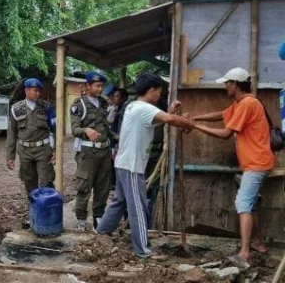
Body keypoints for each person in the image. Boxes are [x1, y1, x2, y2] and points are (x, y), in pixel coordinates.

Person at [96, 74, 193, 259]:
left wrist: (171, 113)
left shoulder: (133, 105)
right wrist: (188, 123)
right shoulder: (143, 108)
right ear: (151, 91)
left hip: (124, 163)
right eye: (159, 92)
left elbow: (158, 121)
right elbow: (169, 120)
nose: (159, 96)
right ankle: (143, 250)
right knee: (139, 207)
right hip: (131, 166)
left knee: (119, 201)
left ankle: (101, 233)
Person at [186, 67, 274, 267]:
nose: (225, 86)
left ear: (235, 84)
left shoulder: (247, 104)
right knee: (250, 204)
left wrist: (194, 126)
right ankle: (258, 243)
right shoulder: (241, 103)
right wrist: (196, 117)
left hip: (256, 164)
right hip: (255, 162)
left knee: (243, 203)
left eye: (227, 83)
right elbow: (221, 114)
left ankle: (244, 253)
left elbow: (225, 133)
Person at [70, 72, 113, 231]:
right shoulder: (79, 104)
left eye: (102, 86)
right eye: (97, 86)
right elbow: (74, 129)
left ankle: (98, 216)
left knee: (103, 186)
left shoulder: (103, 103)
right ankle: (81, 217)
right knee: (84, 185)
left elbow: (106, 127)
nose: (100, 89)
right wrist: (86, 130)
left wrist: (118, 137)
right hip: (87, 152)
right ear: (88, 86)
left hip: (104, 152)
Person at [6, 78, 56, 208]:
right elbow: (12, 134)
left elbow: (54, 129)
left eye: (39, 91)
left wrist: (55, 150)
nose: (38, 93)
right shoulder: (16, 109)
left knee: (46, 181)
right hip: (25, 151)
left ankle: (47, 210)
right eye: (35, 90)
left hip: (43, 150)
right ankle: (33, 212)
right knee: (29, 183)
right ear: (26, 90)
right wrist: (10, 157)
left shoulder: (46, 107)